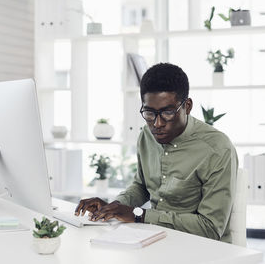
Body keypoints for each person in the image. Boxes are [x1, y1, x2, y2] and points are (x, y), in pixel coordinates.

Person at [75, 62, 238, 243]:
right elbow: (142, 186)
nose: (157, 123)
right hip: (154, 239)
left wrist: (140, 215)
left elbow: (210, 227)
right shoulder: (146, 135)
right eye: (149, 113)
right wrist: (115, 206)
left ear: (188, 106)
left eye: (167, 112)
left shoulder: (217, 149)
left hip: (201, 248)